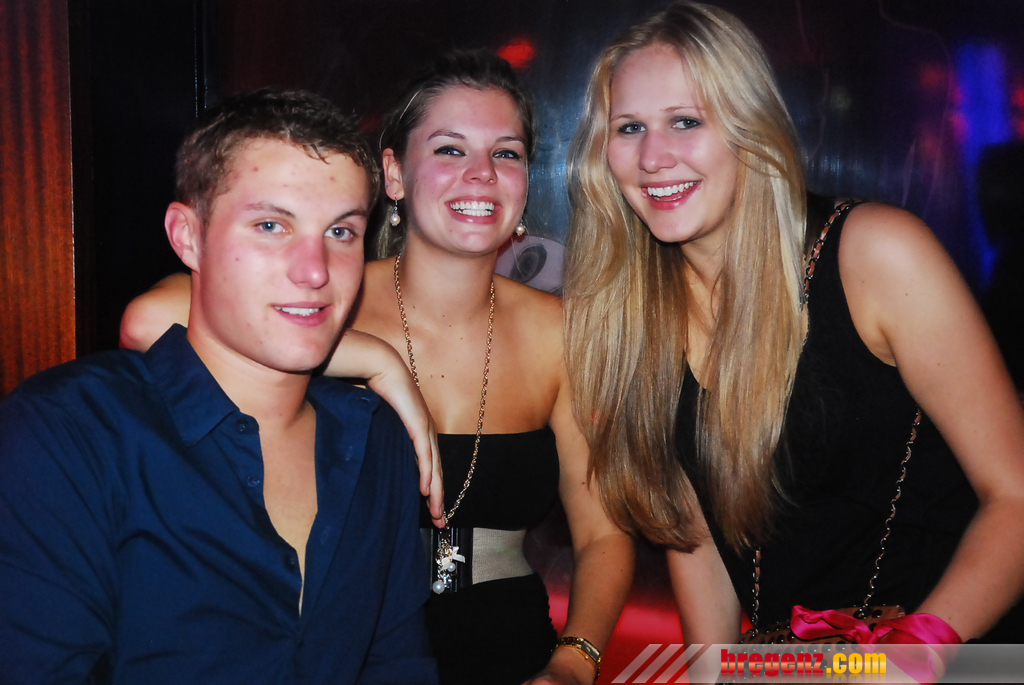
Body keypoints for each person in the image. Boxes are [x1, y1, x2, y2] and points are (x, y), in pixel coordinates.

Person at [120, 52, 634, 685]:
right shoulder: (320, 295)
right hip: (348, 650)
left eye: (506, 153)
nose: (481, 174)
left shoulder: (562, 332)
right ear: (394, 174)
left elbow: (603, 533)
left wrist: (574, 662)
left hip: (516, 654)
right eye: (450, 150)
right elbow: (146, 320)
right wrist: (371, 355)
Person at [564, 1, 1024, 645]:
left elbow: (1015, 497)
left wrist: (909, 661)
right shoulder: (637, 314)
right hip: (799, 667)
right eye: (629, 127)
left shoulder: (875, 255)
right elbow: (698, 540)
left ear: (749, 127)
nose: (653, 156)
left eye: (686, 120)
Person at [0, 88, 438, 683]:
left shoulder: (374, 438)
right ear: (188, 236)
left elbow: (397, 662)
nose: (315, 271)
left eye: (341, 232)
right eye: (271, 225)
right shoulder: (69, 430)